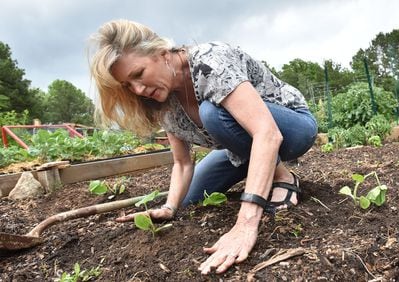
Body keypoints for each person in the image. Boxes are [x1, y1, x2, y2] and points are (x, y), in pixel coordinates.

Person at [89, 19, 317, 275]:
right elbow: (182, 163)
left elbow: (267, 133)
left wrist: (245, 224)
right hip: (243, 148)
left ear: (162, 54)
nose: (138, 89)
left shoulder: (211, 62)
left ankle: (282, 175)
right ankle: (260, 170)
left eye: (138, 74)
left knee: (212, 113)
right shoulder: (161, 100)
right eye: (128, 85)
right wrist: (169, 207)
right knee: (190, 199)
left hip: (292, 128)